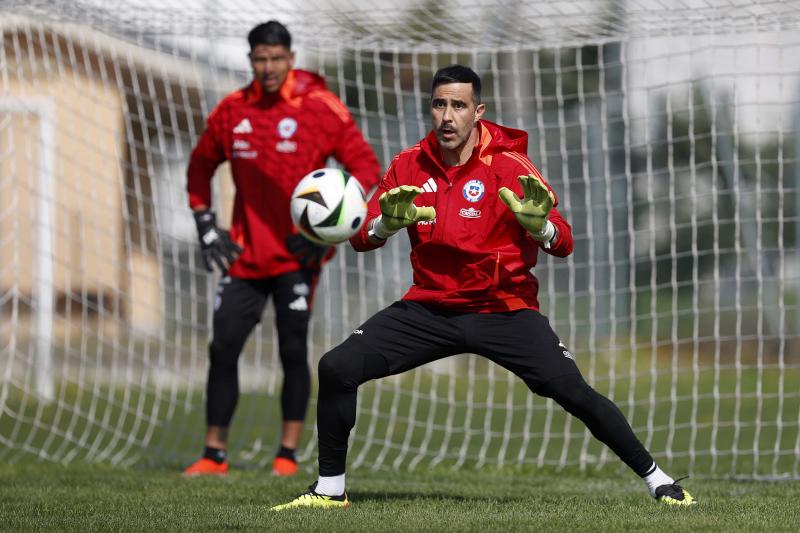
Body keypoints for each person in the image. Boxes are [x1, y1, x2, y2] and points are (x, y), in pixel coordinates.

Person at [271, 65, 695, 507]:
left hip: (503, 308)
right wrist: (385, 224)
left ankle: (658, 479)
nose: (447, 116)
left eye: (458, 105)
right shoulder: (408, 164)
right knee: (337, 366)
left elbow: (564, 241)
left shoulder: (509, 165)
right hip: (430, 309)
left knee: (571, 390)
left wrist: (540, 227)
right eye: (439, 104)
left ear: (478, 111)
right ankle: (330, 491)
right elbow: (360, 238)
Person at [184, 20, 381, 477]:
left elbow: (366, 170)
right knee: (222, 347)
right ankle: (214, 454)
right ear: (250, 60)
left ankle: (286, 455)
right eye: (260, 59)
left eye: (276, 58)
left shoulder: (320, 108)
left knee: (293, 349)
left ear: (291, 59)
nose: (268, 67)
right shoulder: (232, 111)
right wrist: (205, 225)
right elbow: (198, 168)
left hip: (299, 257)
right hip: (243, 255)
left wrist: (324, 235)